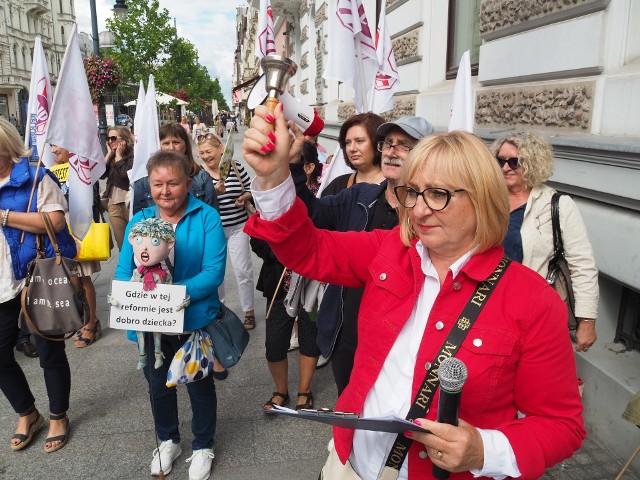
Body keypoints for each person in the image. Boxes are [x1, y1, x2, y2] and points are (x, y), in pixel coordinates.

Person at [242, 105, 586, 479]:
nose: (419, 210)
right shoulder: (389, 251)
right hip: (350, 463)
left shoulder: (533, 300)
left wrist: (485, 449)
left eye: (438, 194)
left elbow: (561, 425)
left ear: (483, 198)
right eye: (412, 192)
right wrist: (274, 178)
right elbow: (307, 250)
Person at [289, 116, 434, 395]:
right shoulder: (358, 196)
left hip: (402, 341)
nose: (391, 151)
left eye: (404, 145)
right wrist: (294, 165)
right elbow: (311, 214)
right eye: (388, 143)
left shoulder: (431, 215)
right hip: (349, 335)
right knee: (350, 409)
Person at [114, 150, 226, 479]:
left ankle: (203, 445)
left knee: (198, 385)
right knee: (158, 385)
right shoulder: (139, 220)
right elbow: (122, 271)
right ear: (149, 185)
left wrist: (173, 296)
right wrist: (135, 295)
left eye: (173, 183)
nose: (165, 191)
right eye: (158, 184)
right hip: (151, 325)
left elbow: (213, 272)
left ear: (188, 183)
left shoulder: (206, 217)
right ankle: (168, 440)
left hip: (193, 321)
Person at [0, 119, 77, 453]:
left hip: (34, 277)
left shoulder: (34, 178)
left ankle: (58, 415)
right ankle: (28, 412)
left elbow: (56, 221)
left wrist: (3, 216)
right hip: (1, 283)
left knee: (49, 351)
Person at [490, 131, 598, 353]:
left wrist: (587, 320)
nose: (505, 167)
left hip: (532, 309)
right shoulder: (488, 198)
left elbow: (582, 265)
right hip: (486, 301)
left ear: (531, 163)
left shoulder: (557, 204)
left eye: (514, 161)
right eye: (500, 160)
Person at [252, 141, 322, 411]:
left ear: (308, 167)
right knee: (274, 342)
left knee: (309, 335)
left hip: (313, 284)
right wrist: (280, 252)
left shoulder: (318, 202)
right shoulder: (271, 200)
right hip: (279, 282)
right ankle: (280, 390)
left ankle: (304, 389)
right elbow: (256, 240)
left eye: (291, 165)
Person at [197, 133, 256, 329]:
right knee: (216, 273)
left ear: (221, 149)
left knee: (243, 270)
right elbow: (194, 201)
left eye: (208, 151)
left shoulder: (236, 167)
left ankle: (249, 311)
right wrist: (213, 192)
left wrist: (243, 197)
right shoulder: (199, 173)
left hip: (239, 226)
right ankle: (218, 309)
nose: (205, 156)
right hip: (213, 230)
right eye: (201, 153)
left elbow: (250, 188)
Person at [50, 145, 103, 348]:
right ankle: (85, 319)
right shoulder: (55, 170)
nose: (53, 150)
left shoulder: (82, 169)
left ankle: (91, 323)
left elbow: (89, 199)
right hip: (60, 228)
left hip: (79, 226)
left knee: (83, 276)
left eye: (57, 145)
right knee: (72, 277)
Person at [133, 122, 218, 215]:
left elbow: (212, 214)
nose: (171, 147)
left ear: (186, 145)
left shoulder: (202, 177)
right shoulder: (144, 180)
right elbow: (138, 219)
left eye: (176, 142)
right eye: (166, 143)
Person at [321, 112, 385, 196]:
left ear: (378, 143)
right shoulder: (337, 186)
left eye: (359, 141)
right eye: (348, 142)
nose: (352, 148)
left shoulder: (395, 187)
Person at [103, 125, 134, 250]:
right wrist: (109, 155)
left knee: (135, 242)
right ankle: (126, 269)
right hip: (113, 204)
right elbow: (100, 175)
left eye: (113, 138)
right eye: (108, 138)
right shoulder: (111, 156)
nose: (110, 141)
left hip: (129, 203)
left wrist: (119, 157)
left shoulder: (132, 155)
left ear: (124, 139)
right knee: (122, 244)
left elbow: (127, 175)